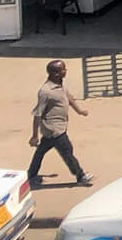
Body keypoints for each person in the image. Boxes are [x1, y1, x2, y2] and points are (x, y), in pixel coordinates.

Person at [27, 59, 92, 187]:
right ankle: (81, 176)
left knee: (40, 152)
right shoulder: (46, 92)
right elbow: (37, 114)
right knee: (67, 152)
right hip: (54, 130)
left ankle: (31, 176)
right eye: (63, 69)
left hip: (56, 128)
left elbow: (69, 97)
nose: (65, 71)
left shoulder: (61, 84)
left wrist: (79, 111)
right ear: (56, 73)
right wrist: (34, 136)